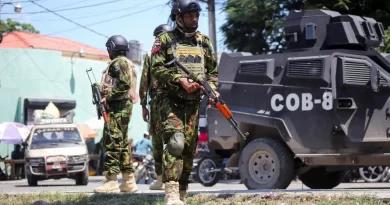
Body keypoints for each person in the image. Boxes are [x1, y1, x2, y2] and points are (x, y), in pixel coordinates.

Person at [150, 0, 219, 204]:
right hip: (170, 101)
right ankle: (170, 192)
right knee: (175, 143)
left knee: (189, 148)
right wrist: (178, 79)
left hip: (193, 103)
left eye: (196, 15)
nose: (194, 19)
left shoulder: (203, 42)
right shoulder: (164, 40)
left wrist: (212, 91)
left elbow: (212, 72)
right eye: (189, 16)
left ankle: (182, 191)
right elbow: (156, 68)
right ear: (178, 17)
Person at [94, 35, 138, 193]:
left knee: (112, 142)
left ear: (112, 48)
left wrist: (107, 97)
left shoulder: (118, 63)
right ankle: (128, 181)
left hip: (118, 109)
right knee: (123, 144)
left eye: (109, 49)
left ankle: (111, 181)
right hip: (123, 108)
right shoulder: (128, 63)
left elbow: (124, 84)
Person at [139, 23, 173, 191]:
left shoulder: (152, 55)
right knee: (173, 139)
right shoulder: (179, 53)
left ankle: (162, 179)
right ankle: (171, 179)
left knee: (159, 141)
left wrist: (143, 104)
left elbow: (144, 80)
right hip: (175, 103)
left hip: (159, 102)